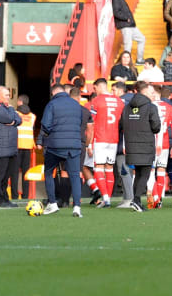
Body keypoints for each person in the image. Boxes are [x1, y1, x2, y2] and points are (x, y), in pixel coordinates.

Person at [41, 84, 88, 216]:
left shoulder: (52, 104)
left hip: (55, 145)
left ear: (54, 93)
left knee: (49, 172)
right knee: (75, 175)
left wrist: (51, 134)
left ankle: (52, 203)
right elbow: (80, 123)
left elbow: (45, 124)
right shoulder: (76, 105)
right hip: (74, 145)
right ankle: (77, 207)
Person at [119, 81, 161, 212]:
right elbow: (156, 127)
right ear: (145, 92)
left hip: (131, 145)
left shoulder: (127, 107)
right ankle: (136, 200)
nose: (153, 95)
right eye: (151, 92)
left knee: (138, 173)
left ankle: (135, 200)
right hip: (146, 145)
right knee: (145, 173)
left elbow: (121, 125)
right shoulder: (151, 107)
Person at [87, 79, 124, 207]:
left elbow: (91, 123)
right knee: (109, 168)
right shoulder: (119, 101)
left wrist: (89, 144)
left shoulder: (97, 101)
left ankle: (106, 198)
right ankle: (107, 198)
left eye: (94, 88)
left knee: (98, 167)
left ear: (98, 87)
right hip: (113, 138)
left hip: (100, 138)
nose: (94, 91)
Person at [0, 86, 21, 207]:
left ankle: (4, 197)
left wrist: (13, 120)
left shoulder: (4, 107)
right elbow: (9, 118)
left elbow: (19, 119)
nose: (9, 97)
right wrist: (12, 110)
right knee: (0, 174)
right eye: (6, 95)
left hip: (10, 145)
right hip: (2, 145)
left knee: (7, 174)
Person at [111, 0, 145, 65]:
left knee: (142, 38)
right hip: (125, 25)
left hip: (130, 25)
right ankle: (126, 63)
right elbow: (116, 12)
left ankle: (139, 60)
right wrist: (126, 18)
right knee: (128, 44)